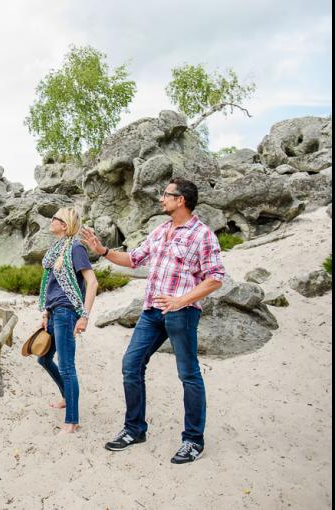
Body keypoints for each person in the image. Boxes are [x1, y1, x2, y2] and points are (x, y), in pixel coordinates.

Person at [80, 177, 226, 464]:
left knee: (188, 374)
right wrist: (103, 251)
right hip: (151, 312)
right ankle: (135, 429)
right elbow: (134, 259)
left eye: (167, 195)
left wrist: (181, 300)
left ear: (181, 200)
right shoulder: (160, 231)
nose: (162, 199)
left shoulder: (202, 234)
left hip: (181, 313)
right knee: (131, 365)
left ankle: (193, 441)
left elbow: (215, 277)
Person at [37, 207, 98, 435]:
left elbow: (92, 283)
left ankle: (72, 421)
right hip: (54, 312)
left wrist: (84, 315)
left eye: (56, 218)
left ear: (65, 225)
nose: (51, 220)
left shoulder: (76, 248)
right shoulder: (55, 250)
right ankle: (67, 396)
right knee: (43, 359)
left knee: (67, 366)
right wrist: (45, 312)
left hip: (67, 312)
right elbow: (51, 284)